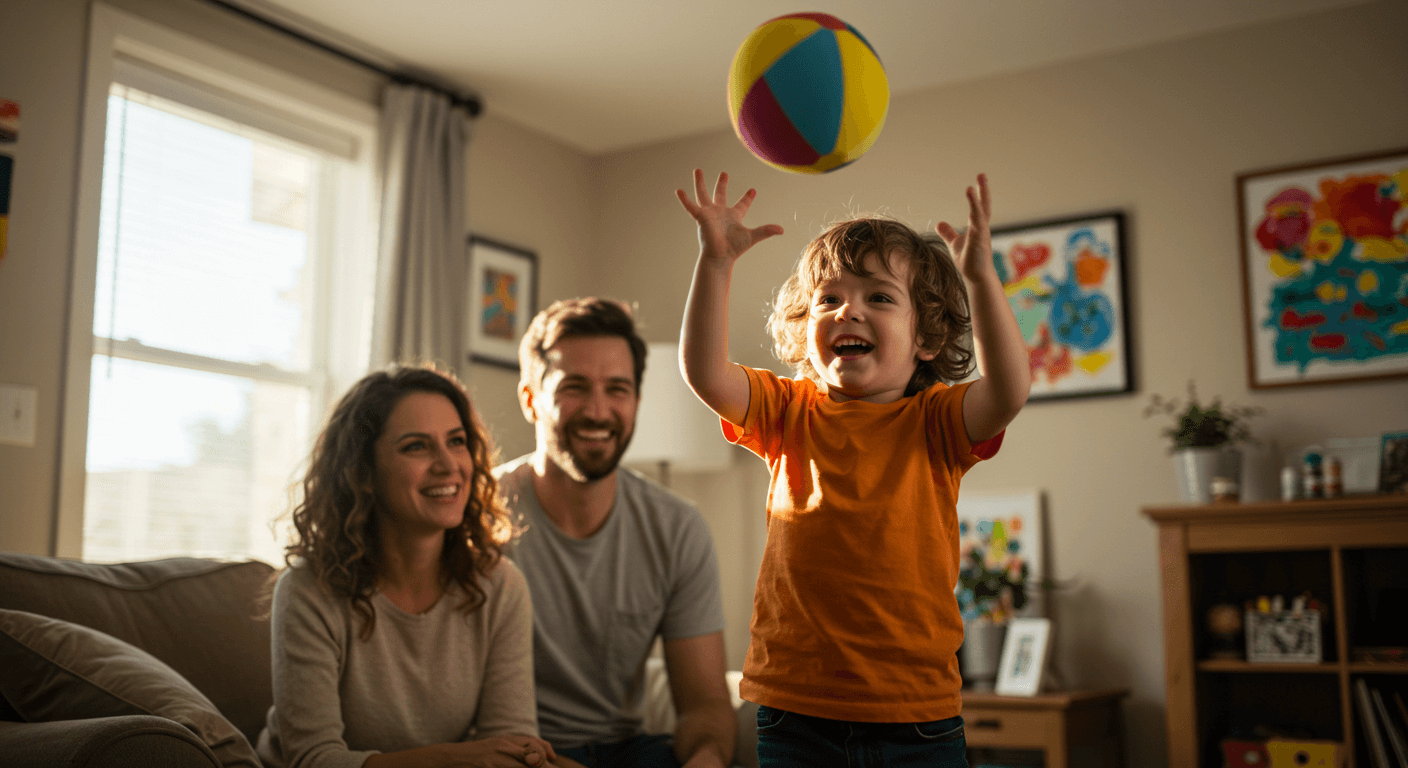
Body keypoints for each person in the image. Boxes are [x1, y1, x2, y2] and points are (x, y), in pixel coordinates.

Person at [676, 170, 1031, 767]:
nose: (849, 312)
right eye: (829, 298)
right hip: (797, 710)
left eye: (879, 297)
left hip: (917, 716)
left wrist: (981, 277)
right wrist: (715, 263)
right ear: (806, 328)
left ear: (925, 338)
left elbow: (1009, 391)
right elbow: (706, 375)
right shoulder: (787, 412)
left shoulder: (937, 421)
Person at [258, 365, 559, 768]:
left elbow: (510, 737)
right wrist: (449, 760)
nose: (448, 464)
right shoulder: (308, 589)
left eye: (457, 441)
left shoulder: (500, 585)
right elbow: (314, 760)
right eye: (417, 446)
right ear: (363, 471)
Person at [494, 297, 736, 768]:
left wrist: (704, 761)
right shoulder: (480, 514)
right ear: (530, 399)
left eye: (618, 389)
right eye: (575, 387)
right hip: (511, 751)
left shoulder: (676, 529)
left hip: (628, 751)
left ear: (637, 402)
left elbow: (705, 706)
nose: (598, 411)